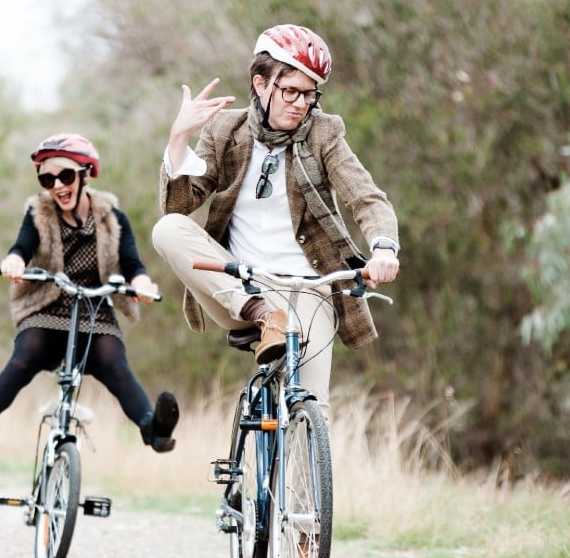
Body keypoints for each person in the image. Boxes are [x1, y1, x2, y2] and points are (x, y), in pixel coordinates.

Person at [152, 24, 399, 422]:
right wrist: (178, 138)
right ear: (260, 84)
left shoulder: (324, 134)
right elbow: (180, 203)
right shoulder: (224, 130)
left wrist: (384, 246)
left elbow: (366, 197)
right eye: (291, 91)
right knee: (167, 229)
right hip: (239, 287)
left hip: (310, 288)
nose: (301, 104)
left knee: (310, 407)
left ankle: (299, 483)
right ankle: (264, 314)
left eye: (310, 94)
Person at [0, 133, 179, 453]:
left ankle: (154, 428)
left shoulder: (112, 218)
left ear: (84, 174)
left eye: (65, 175)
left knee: (115, 365)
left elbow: (132, 263)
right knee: (24, 358)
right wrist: (14, 262)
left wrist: (141, 284)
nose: (58, 185)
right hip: (47, 307)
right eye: (48, 178)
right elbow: (22, 246)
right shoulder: (39, 214)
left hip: (93, 311)